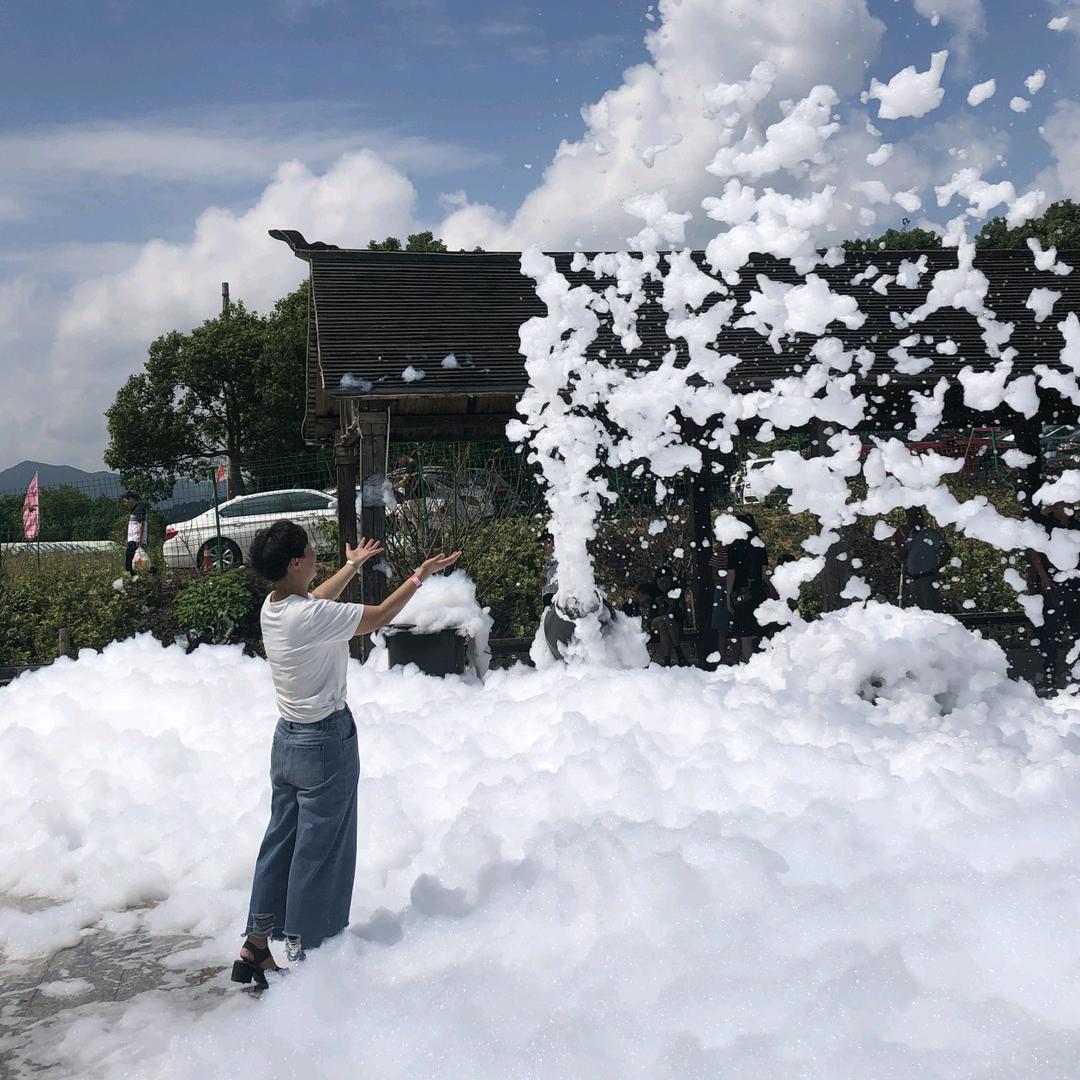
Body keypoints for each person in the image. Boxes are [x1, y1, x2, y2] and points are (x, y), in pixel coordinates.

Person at [233, 521, 460, 989]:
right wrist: (419, 576)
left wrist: (352, 567)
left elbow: (317, 600)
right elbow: (379, 616)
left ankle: (255, 944)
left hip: (287, 744)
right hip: (324, 745)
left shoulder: (274, 606)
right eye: (310, 551)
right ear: (295, 563)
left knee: (281, 843)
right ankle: (311, 959)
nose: (316, 556)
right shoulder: (310, 616)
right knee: (321, 851)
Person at [1026, 501, 1080, 690]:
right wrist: (1043, 577)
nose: (1067, 507)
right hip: (1054, 586)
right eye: (1062, 504)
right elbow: (1033, 551)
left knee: (1078, 632)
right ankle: (1050, 675)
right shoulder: (1046, 527)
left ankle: (1077, 675)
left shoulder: (1077, 526)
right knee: (1049, 634)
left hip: (1076, 585)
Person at [726, 514, 779, 662]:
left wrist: (728, 596)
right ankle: (764, 663)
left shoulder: (733, 546)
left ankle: (749, 665)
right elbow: (764, 574)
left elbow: (731, 574)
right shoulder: (759, 545)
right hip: (757, 591)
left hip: (741, 593)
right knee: (761, 632)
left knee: (745, 636)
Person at [897, 507, 951, 611]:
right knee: (917, 611)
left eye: (913, 516)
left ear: (920, 517)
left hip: (927, 577)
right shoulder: (910, 535)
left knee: (931, 609)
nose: (910, 520)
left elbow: (946, 550)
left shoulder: (929, 533)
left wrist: (939, 567)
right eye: (908, 517)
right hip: (913, 579)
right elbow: (903, 556)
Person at [652, 565, 688, 666]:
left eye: (667, 582)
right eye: (661, 582)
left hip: (672, 625)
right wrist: (660, 605)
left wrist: (670, 603)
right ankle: (679, 652)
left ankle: (667, 661)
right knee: (664, 619)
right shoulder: (653, 592)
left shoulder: (675, 592)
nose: (664, 585)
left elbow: (676, 612)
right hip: (656, 622)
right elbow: (655, 614)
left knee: (663, 626)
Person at [120, 491, 148, 574]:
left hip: (136, 540)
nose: (125, 504)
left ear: (131, 499)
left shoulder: (139, 509)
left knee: (130, 562)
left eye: (125, 501)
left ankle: (132, 576)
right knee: (135, 561)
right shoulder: (134, 510)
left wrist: (139, 539)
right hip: (132, 539)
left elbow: (141, 524)